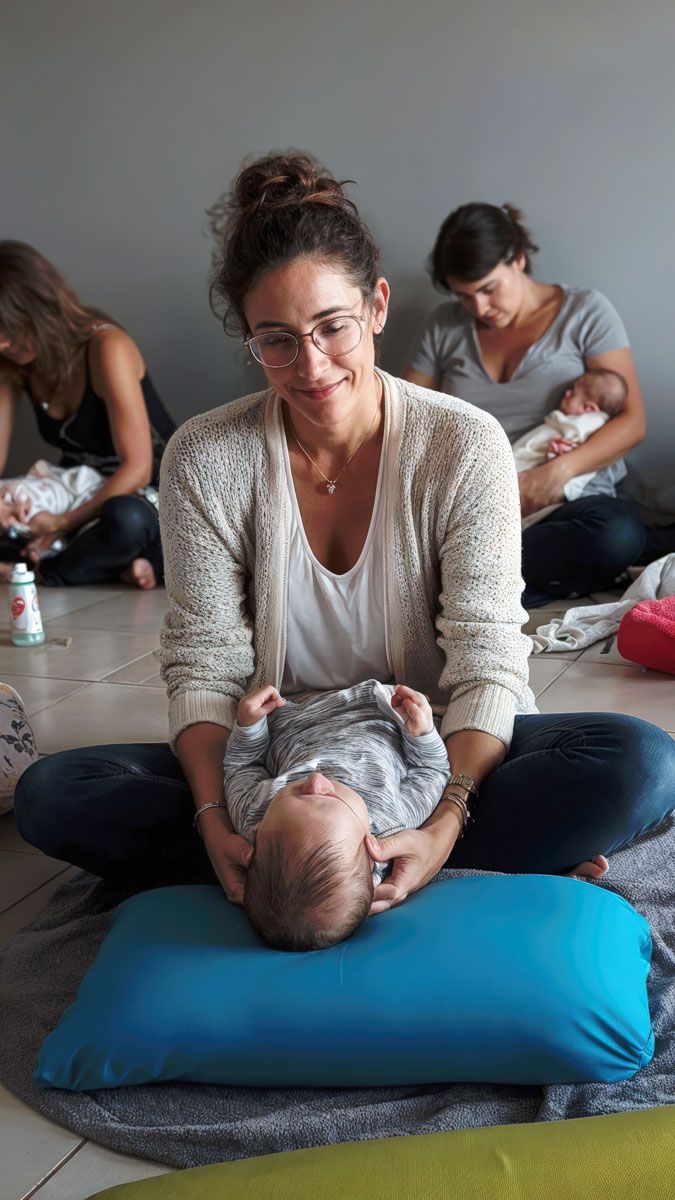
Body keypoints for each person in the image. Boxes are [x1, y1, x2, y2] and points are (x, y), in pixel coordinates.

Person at [14, 155, 675, 925]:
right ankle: (340, 865)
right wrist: (216, 821)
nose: (311, 366)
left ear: (377, 307)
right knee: (53, 796)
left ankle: (341, 870)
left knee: (639, 764)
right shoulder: (205, 453)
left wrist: (444, 818)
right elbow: (205, 661)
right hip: (279, 770)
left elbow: (488, 655)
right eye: (277, 341)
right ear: (249, 340)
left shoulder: (461, 443)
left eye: (331, 327)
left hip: (431, 757)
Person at [403, 203, 646, 606]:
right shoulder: (443, 326)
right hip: (475, 501)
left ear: (517, 259)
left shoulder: (585, 312)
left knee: (617, 534)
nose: (479, 308)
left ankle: (460, 588)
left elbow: (633, 422)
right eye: (464, 296)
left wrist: (553, 474)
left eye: (487, 289)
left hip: (566, 499)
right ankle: (488, 588)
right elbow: (404, 417)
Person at [223, 681, 450, 950]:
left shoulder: (253, 816)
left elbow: (241, 766)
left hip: (293, 712)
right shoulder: (393, 820)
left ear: (257, 836)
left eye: (296, 792)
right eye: (331, 797)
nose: (316, 780)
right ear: (370, 850)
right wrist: (422, 734)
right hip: (381, 709)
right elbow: (432, 770)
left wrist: (249, 728)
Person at [0, 241, 175, 587]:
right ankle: (115, 563)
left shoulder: (107, 347)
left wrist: (61, 523)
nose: (1, 342)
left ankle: (39, 570)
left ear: (40, 308)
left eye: (9, 328)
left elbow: (137, 468)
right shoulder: (10, 363)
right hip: (74, 490)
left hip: (145, 490)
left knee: (125, 520)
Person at [512, 368, 627, 529]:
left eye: (573, 393)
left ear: (588, 409)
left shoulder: (589, 423)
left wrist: (560, 452)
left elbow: (573, 447)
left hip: (550, 486)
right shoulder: (572, 422)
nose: (566, 393)